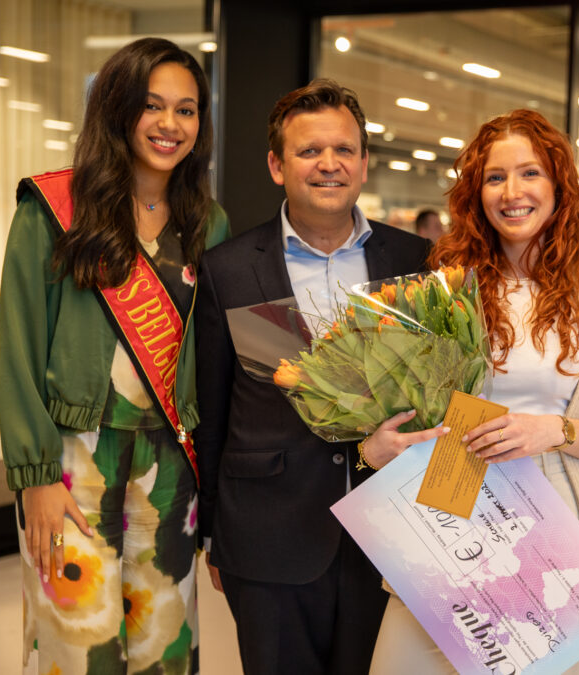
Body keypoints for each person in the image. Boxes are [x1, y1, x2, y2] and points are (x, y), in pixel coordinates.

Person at [367, 109, 579, 675]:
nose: (512, 192)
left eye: (530, 173)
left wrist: (553, 430)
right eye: (494, 177)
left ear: (559, 185)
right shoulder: (447, 280)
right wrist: (379, 443)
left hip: (555, 518)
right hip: (451, 501)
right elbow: (407, 402)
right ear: (475, 191)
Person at [0, 38, 229, 673]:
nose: (169, 125)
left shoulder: (209, 224)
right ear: (117, 109)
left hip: (171, 469)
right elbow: (15, 348)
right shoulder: (52, 209)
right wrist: (36, 475)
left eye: (187, 110)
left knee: (165, 642)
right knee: (78, 643)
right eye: (152, 106)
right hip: (73, 461)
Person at [194, 79, 440, 675]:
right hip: (268, 536)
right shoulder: (230, 268)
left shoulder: (413, 260)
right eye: (308, 152)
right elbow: (211, 407)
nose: (328, 164)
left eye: (344, 150)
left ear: (363, 164)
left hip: (389, 539)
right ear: (278, 165)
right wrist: (213, 536)